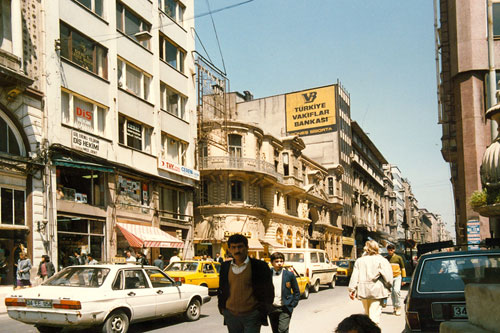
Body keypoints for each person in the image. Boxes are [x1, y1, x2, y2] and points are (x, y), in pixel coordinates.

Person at [218, 234, 274, 333]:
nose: (237, 251)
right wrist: (223, 308)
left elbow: (269, 291)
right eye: (233, 247)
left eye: (240, 246)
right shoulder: (225, 267)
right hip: (231, 315)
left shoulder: (260, 266)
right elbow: (222, 289)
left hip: (252, 315)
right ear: (229, 249)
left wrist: (261, 311)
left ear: (247, 247)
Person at [348, 240, 392, 326]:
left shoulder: (359, 261)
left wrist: (352, 290)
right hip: (377, 291)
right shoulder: (382, 260)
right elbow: (388, 278)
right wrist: (388, 287)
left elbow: (354, 277)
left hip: (363, 291)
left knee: (367, 315)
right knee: (374, 316)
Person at [268, 252, 300, 333]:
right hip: (272, 308)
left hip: (285, 308)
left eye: (281, 261)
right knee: (275, 331)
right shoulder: (267, 274)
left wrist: (292, 304)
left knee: (282, 330)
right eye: (277, 261)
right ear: (272, 262)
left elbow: (296, 291)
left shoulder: (289, 275)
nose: (279, 263)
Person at [384, 244, 406, 315]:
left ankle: (398, 307)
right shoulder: (386, 258)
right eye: (389, 250)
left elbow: (403, 268)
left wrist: (404, 279)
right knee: (392, 293)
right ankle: (395, 307)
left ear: (394, 250)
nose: (390, 251)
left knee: (396, 291)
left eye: (392, 249)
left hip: (397, 276)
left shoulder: (398, 258)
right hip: (389, 277)